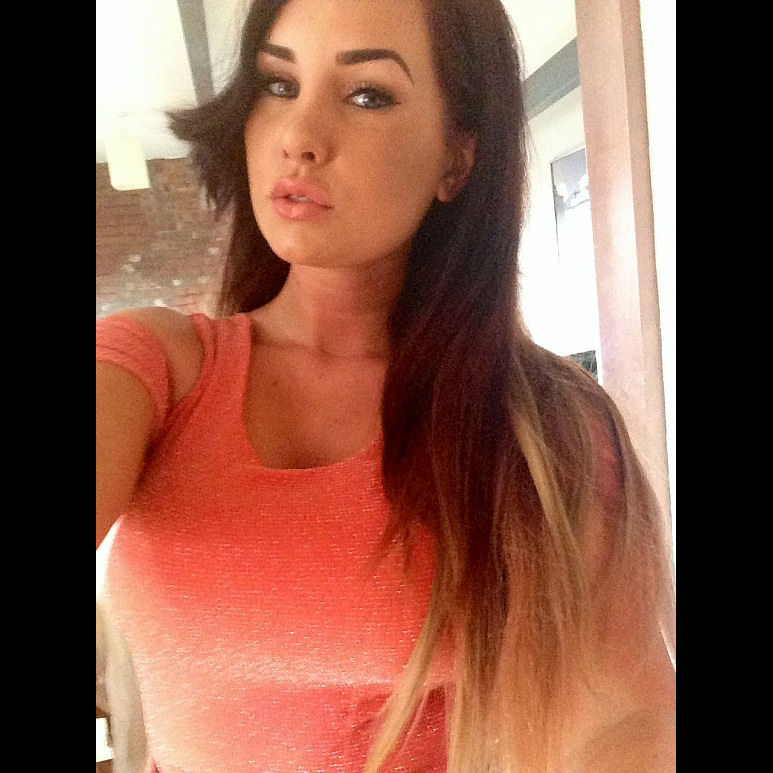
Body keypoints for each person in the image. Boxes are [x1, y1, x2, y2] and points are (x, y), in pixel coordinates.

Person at [96, 0, 676, 770]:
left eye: (367, 94)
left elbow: (625, 717)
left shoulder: (543, 425)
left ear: (456, 160)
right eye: (277, 85)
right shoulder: (151, 368)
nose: (298, 135)